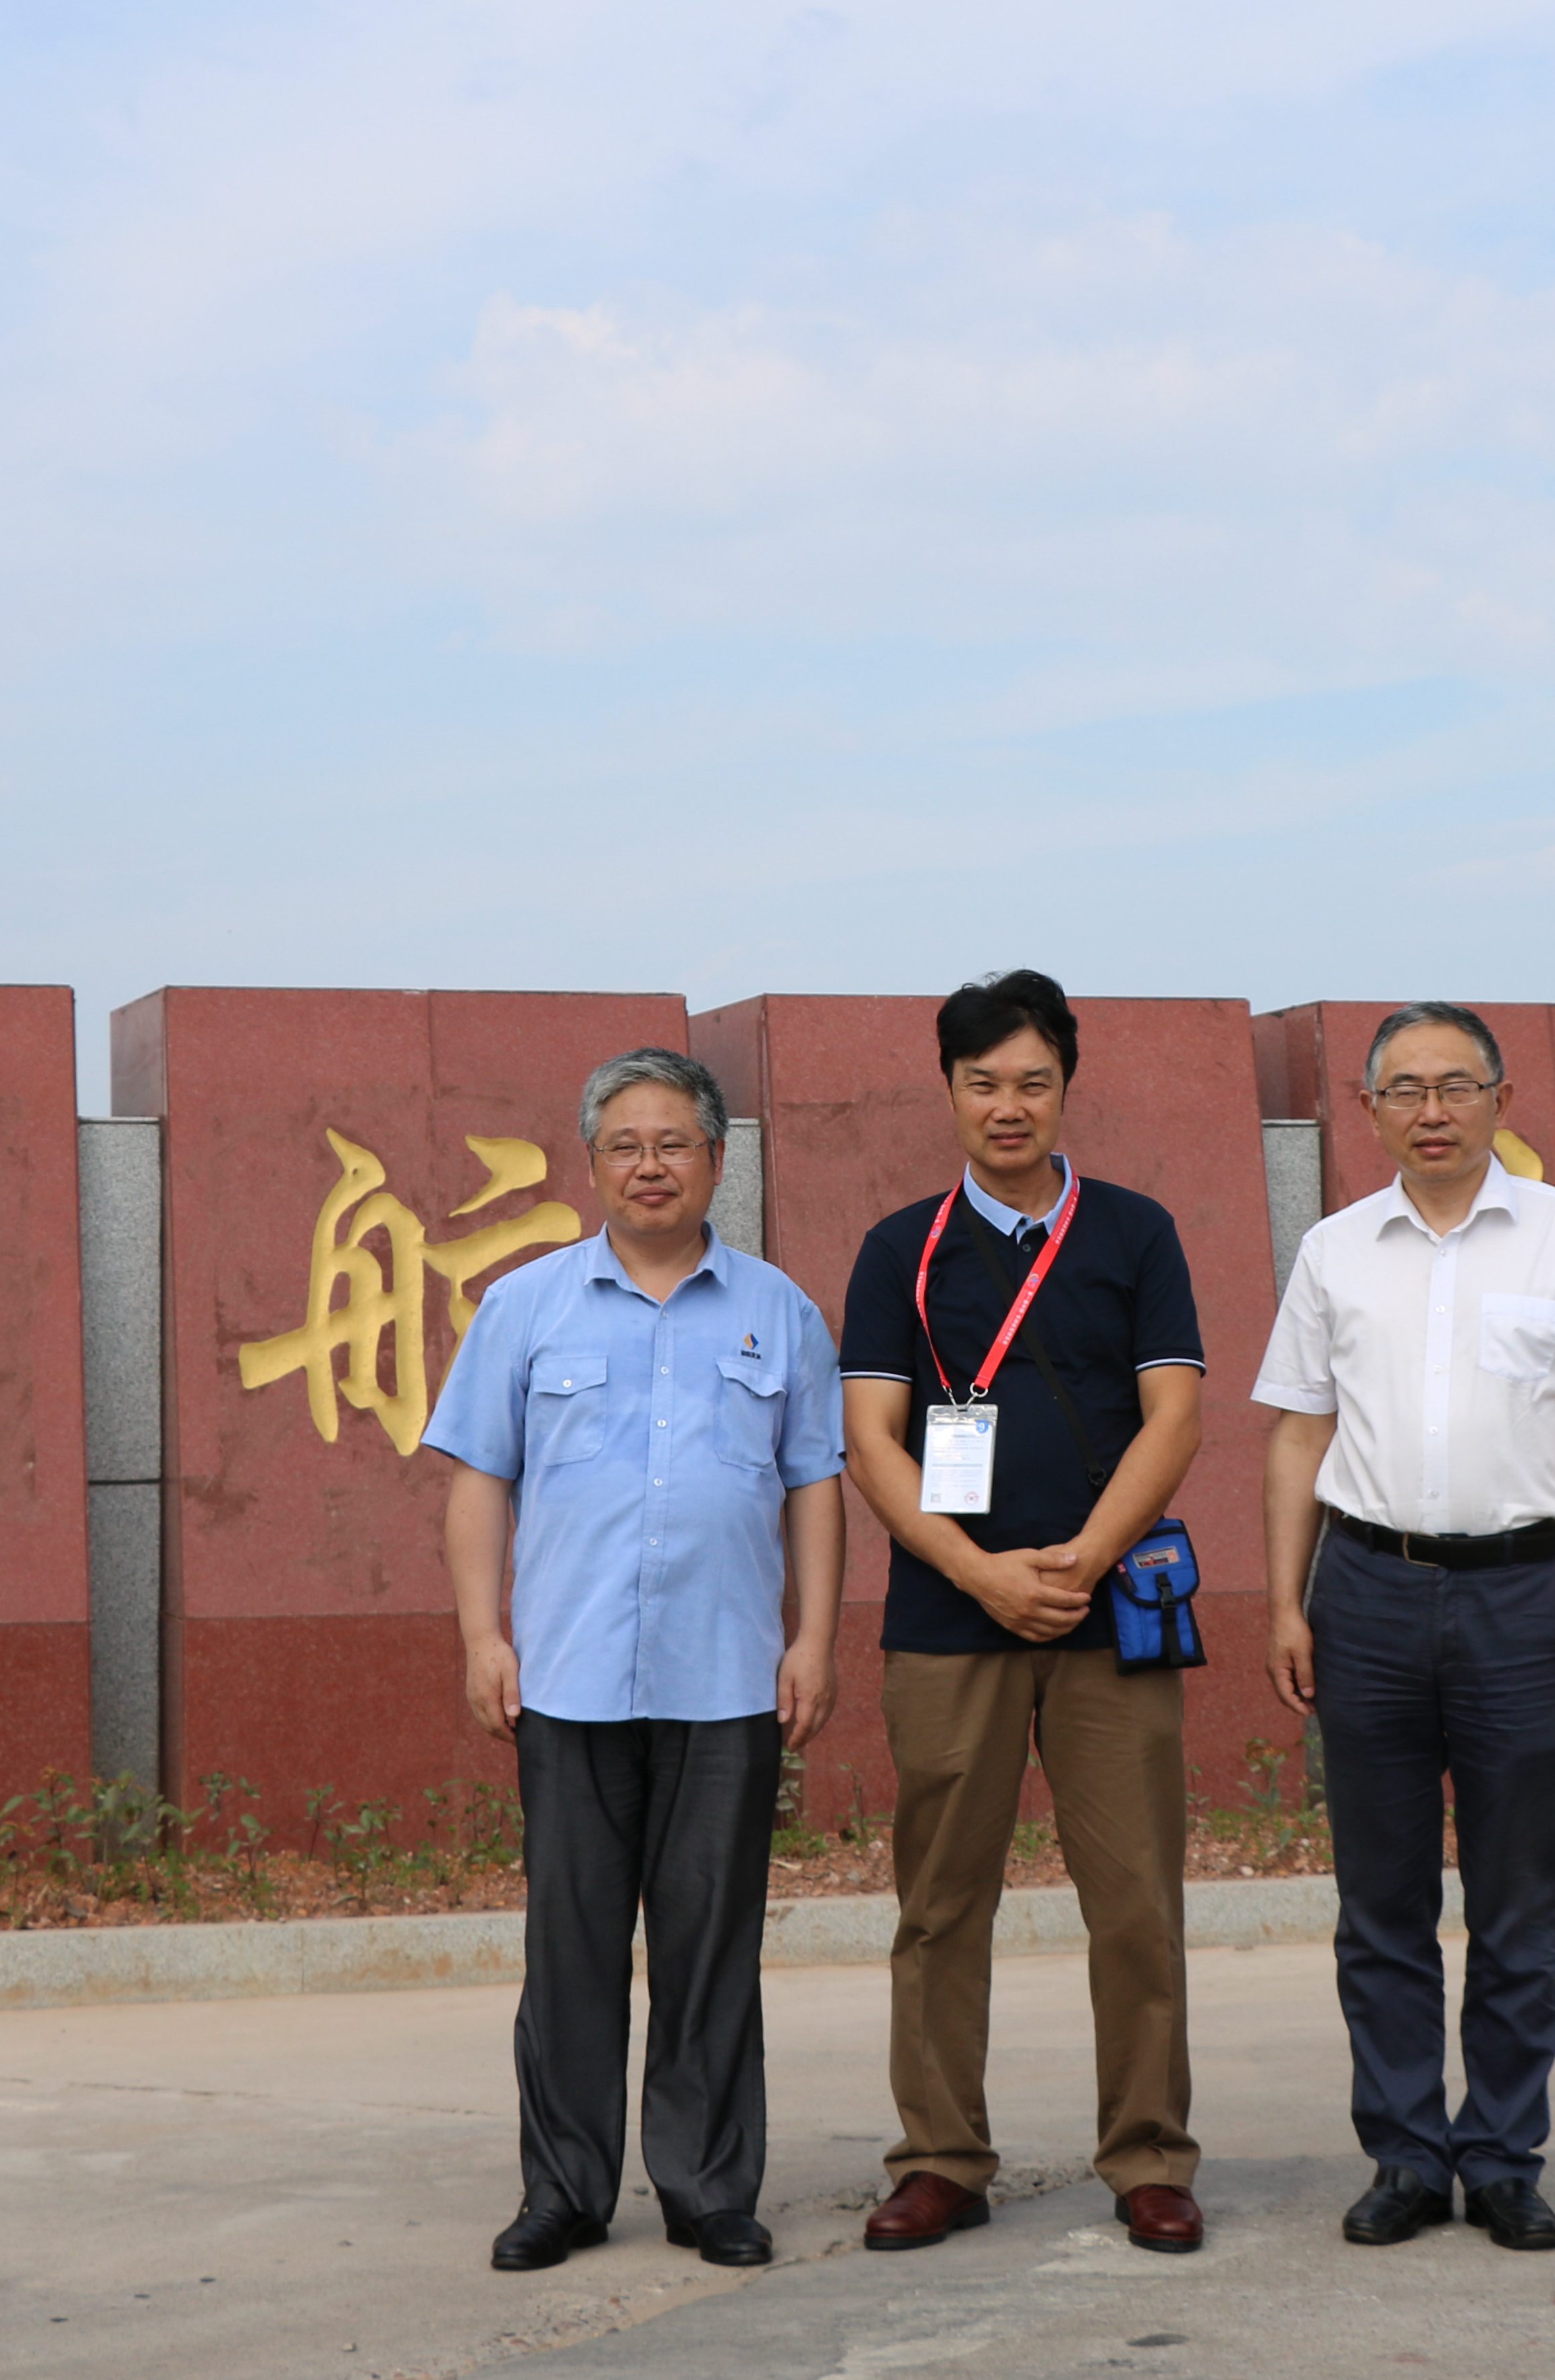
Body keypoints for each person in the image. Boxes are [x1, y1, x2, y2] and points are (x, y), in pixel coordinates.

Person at [428, 1047, 847, 2276]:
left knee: (711, 1943)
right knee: (570, 1944)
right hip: (565, 1674)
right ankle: (562, 2189)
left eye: (674, 1143)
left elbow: (815, 1486)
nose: (650, 1165)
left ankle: (710, 2187)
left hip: (727, 1678)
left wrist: (813, 1639)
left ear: (716, 1160)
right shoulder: (525, 1305)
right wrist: (480, 1634)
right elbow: (476, 1480)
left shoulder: (779, 1310)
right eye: (626, 1144)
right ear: (593, 1163)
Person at [1254, 1001, 1555, 2254]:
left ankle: (1499, 2155)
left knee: (1514, 1899)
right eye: (1404, 1091)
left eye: (1456, 1086)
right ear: (1367, 1109)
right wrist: (1284, 1598)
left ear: (1498, 1100)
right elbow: (1297, 1433)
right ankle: (1402, 2155)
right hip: (1365, 1592)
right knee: (1377, 1901)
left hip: (1523, 1594)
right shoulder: (1334, 1250)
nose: (1432, 1112)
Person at [839, 971, 1213, 2257]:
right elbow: (872, 1444)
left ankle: (1149, 2156)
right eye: (983, 1082)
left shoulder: (1133, 1232)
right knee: (941, 1903)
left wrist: (1081, 1561)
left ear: (1067, 1087)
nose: (1009, 1105)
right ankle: (940, 2157)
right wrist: (985, 1575)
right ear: (947, 1091)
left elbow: (1175, 1415)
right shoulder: (901, 1249)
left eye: (1032, 1081)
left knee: (1135, 1902)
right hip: (950, 1624)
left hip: (1113, 1619)